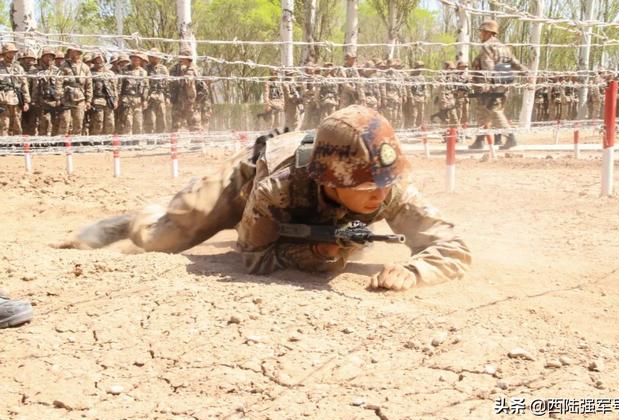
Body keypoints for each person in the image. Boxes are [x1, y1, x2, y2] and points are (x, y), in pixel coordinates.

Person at [56, 105, 471, 291]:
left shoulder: (390, 186)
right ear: (328, 179)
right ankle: (136, 220)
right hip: (248, 180)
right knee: (163, 239)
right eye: (365, 187)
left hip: (290, 203)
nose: (379, 195)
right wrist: (315, 254)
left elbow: (452, 246)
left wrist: (415, 272)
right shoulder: (280, 187)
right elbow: (254, 257)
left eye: (384, 183)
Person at [468, 19, 529, 150]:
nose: (480, 34)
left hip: (491, 86)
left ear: (487, 32)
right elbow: (514, 63)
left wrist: (487, 84)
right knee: (483, 113)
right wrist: (527, 73)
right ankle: (479, 140)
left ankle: (511, 137)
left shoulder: (486, 46)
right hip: (504, 85)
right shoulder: (504, 47)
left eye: (482, 32)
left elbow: (488, 67)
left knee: (494, 111)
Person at [58, 46, 93, 136]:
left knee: (78, 123)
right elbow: (58, 83)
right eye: (71, 52)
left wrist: (88, 100)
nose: (73, 54)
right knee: (65, 122)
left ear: (79, 53)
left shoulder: (85, 67)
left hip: (80, 98)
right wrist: (59, 97)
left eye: (75, 52)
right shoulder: (64, 66)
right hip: (66, 98)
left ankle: (75, 143)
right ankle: (62, 144)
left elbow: (89, 85)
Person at [0, 43, 31, 136]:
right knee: (4, 125)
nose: (11, 55)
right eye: (9, 53)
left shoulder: (19, 68)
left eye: (13, 53)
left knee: (17, 125)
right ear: (4, 54)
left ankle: (17, 147)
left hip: (16, 100)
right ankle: (4, 148)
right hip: (3, 101)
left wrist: (26, 101)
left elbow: (24, 85)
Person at [32, 47, 63, 136]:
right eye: (46, 56)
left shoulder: (57, 71)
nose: (49, 58)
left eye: (51, 56)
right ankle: (42, 143)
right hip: (43, 101)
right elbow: (35, 87)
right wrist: (34, 101)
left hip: (55, 101)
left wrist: (59, 99)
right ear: (42, 58)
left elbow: (60, 86)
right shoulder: (36, 71)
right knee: (44, 122)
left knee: (56, 122)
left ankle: (54, 142)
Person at [119, 53, 149, 135]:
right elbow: (120, 85)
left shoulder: (143, 72)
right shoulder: (125, 70)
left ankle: (136, 143)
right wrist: (119, 98)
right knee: (128, 122)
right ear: (131, 59)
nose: (135, 60)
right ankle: (128, 144)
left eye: (137, 58)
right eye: (133, 58)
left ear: (140, 60)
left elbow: (146, 87)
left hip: (138, 99)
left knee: (138, 123)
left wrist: (145, 100)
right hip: (127, 98)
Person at [89, 53, 118, 135]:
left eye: (101, 60)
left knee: (110, 122)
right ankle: (95, 140)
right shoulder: (90, 73)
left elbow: (114, 87)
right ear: (94, 62)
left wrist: (115, 100)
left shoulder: (110, 73)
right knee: (98, 121)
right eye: (96, 61)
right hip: (97, 99)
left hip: (109, 100)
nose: (99, 62)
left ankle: (107, 141)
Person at [145, 48, 169, 133]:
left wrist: (167, 97)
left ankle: (160, 139)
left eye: (156, 56)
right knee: (150, 119)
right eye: (152, 56)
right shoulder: (146, 68)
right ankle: (150, 139)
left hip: (160, 95)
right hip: (149, 95)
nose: (154, 58)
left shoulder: (163, 69)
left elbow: (167, 84)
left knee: (161, 118)